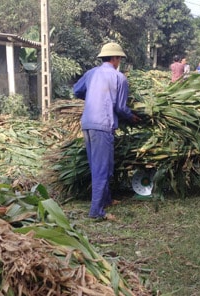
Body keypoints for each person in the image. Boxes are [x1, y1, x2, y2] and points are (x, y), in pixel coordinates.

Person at [73, 42, 140, 220]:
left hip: (87, 124)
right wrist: (132, 116)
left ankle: (107, 199)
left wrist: (93, 96)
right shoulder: (119, 78)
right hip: (103, 125)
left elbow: (76, 91)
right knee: (102, 168)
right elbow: (120, 107)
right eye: (119, 58)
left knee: (103, 165)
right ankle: (96, 211)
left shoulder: (91, 73)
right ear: (115, 58)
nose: (120, 62)